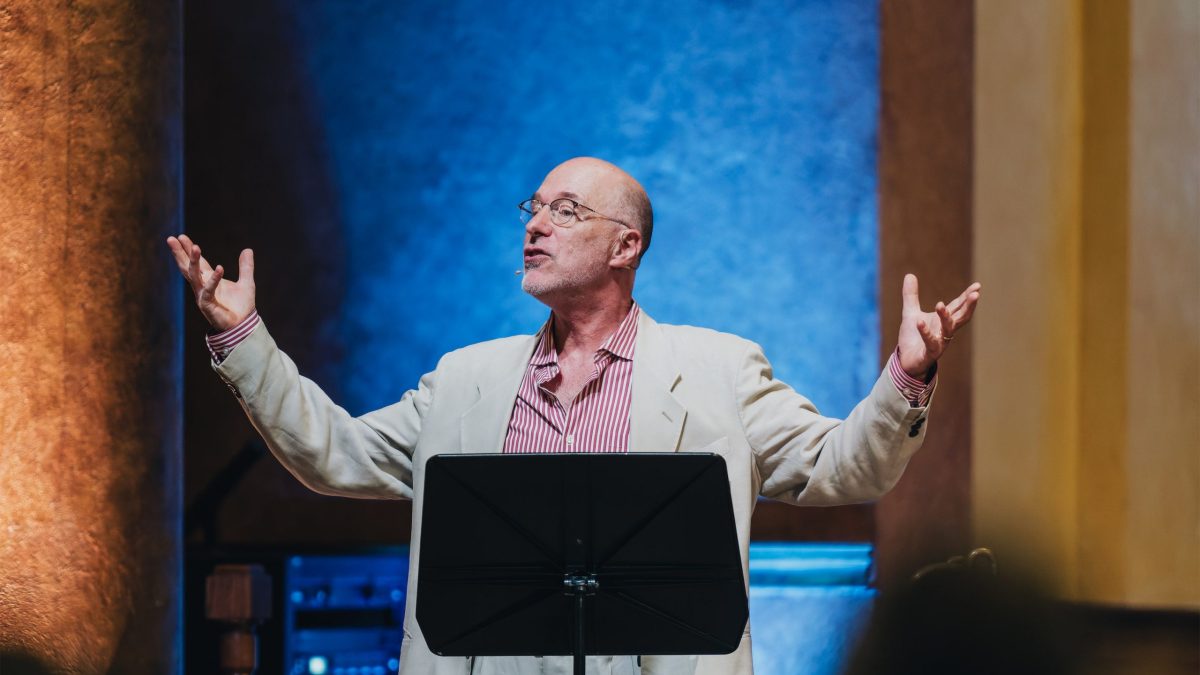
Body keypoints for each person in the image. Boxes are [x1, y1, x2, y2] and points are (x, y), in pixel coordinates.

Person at [166, 157, 980, 675]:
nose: (533, 225)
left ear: (625, 247)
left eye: (564, 211)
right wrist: (242, 337)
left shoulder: (718, 371)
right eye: (533, 207)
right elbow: (333, 454)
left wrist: (907, 375)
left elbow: (846, 466)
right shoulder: (464, 379)